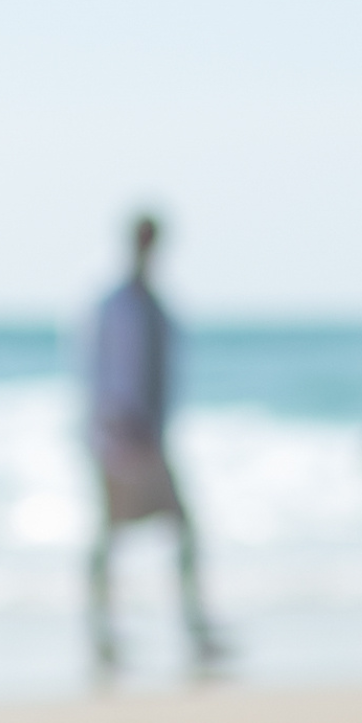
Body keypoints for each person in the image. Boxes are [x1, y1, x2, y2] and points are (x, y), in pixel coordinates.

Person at [83, 215, 226, 682]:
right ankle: (102, 633)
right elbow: (99, 374)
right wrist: (111, 430)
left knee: (180, 532)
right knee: (112, 536)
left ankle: (191, 626)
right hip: (121, 438)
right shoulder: (117, 307)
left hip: (151, 437)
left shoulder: (154, 307)